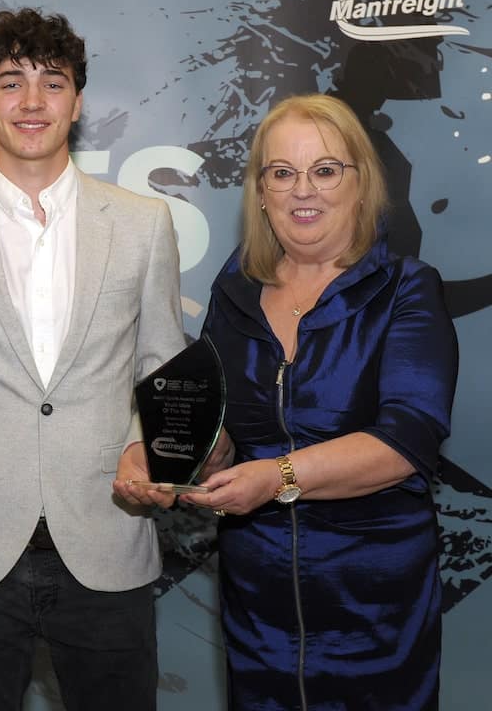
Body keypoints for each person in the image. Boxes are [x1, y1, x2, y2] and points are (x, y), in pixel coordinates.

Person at [0, 8, 185, 711]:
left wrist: (154, 454)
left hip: (109, 534)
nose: (32, 101)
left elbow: (161, 368)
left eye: (53, 82)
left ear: (78, 101)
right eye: (10, 82)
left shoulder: (144, 224)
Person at [182, 94, 456, 709]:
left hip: (374, 607)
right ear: (260, 192)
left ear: (360, 184)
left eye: (326, 170)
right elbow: (222, 439)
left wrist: (275, 477)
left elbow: (405, 442)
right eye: (282, 173)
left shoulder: (406, 290)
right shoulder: (231, 298)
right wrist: (190, 455)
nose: (303, 190)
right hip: (256, 605)